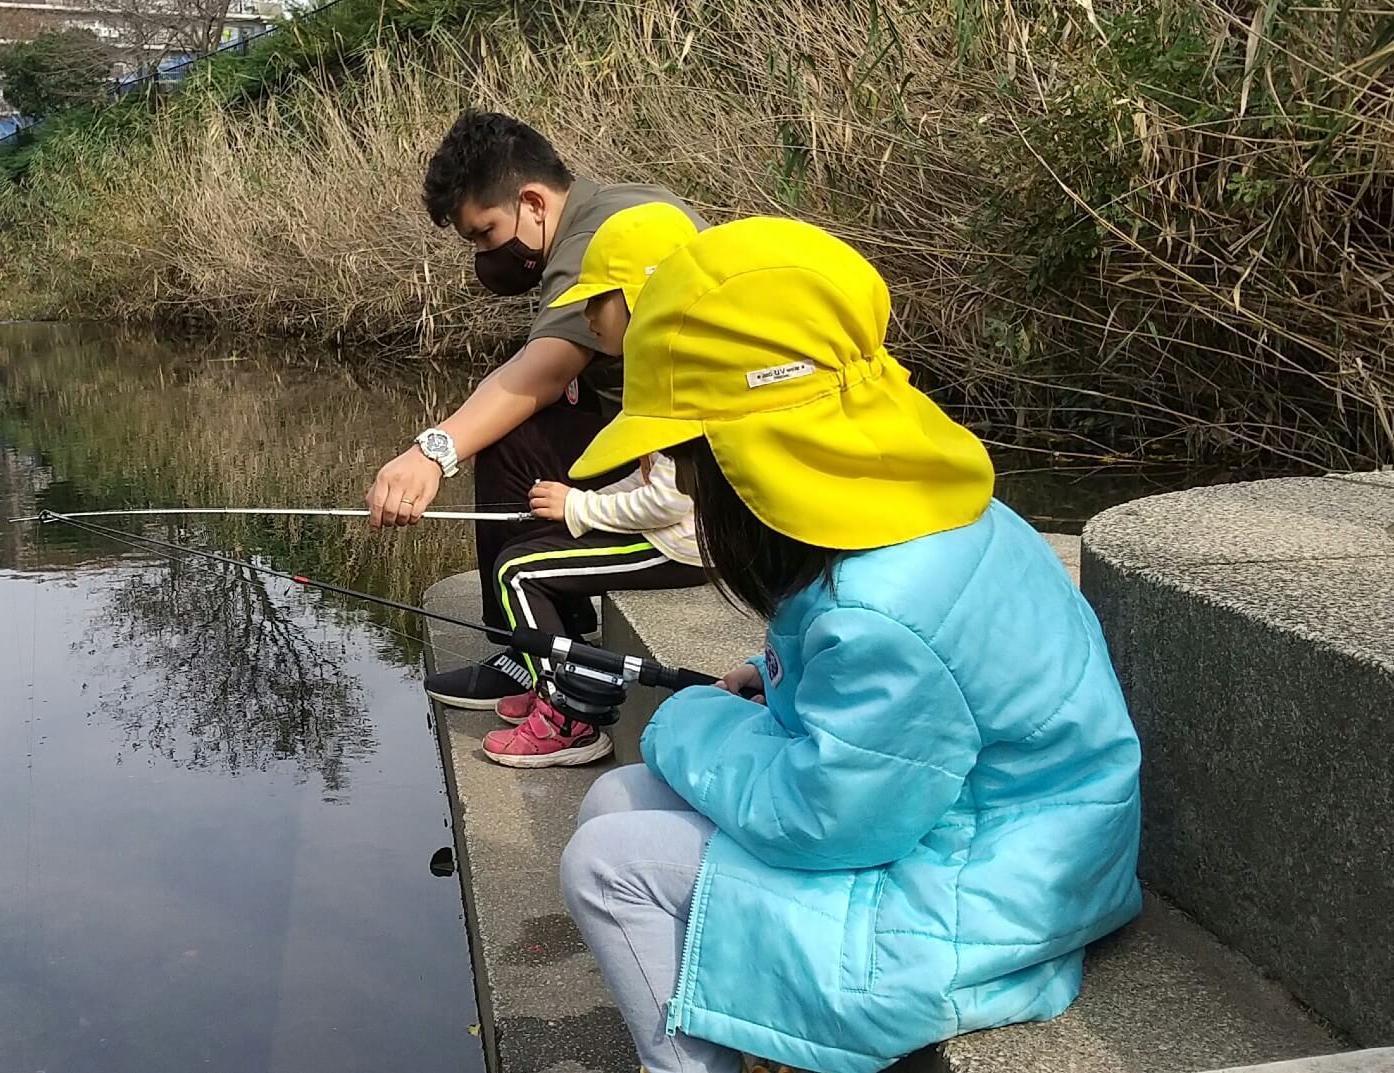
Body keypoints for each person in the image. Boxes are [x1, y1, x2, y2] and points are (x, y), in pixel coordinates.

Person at [555, 217, 1144, 1073]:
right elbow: (921, 697)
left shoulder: (883, 611)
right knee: (618, 802)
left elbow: (824, 819)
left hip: (1000, 888)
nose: (683, 483)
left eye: (689, 457)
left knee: (610, 865)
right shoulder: (917, 505)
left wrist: (685, 719)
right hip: (1003, 826)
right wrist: (769, 676)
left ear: (754, 458)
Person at [365, 110, 705, 711]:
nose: (484, 254)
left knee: (507, 440)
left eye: (485, 233)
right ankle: (556, 619)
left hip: (684, 466)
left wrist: (433, 453)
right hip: (671, 441)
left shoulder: (595, 241)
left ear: (532, 202)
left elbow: (543, 372)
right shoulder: (626, 203)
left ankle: (527, 653)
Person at [464, 203, 709, 769]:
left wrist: (580, 507)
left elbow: (672, 499)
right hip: (676, 532)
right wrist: (582, 504)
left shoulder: (677, 385)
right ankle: (559, 682)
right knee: (532, 556)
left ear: (642, 297)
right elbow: (650, 476)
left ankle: (569, 716)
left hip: (687, 545)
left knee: (518, 572)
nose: (589, 319)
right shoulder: (665, 366)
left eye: (598, 301)